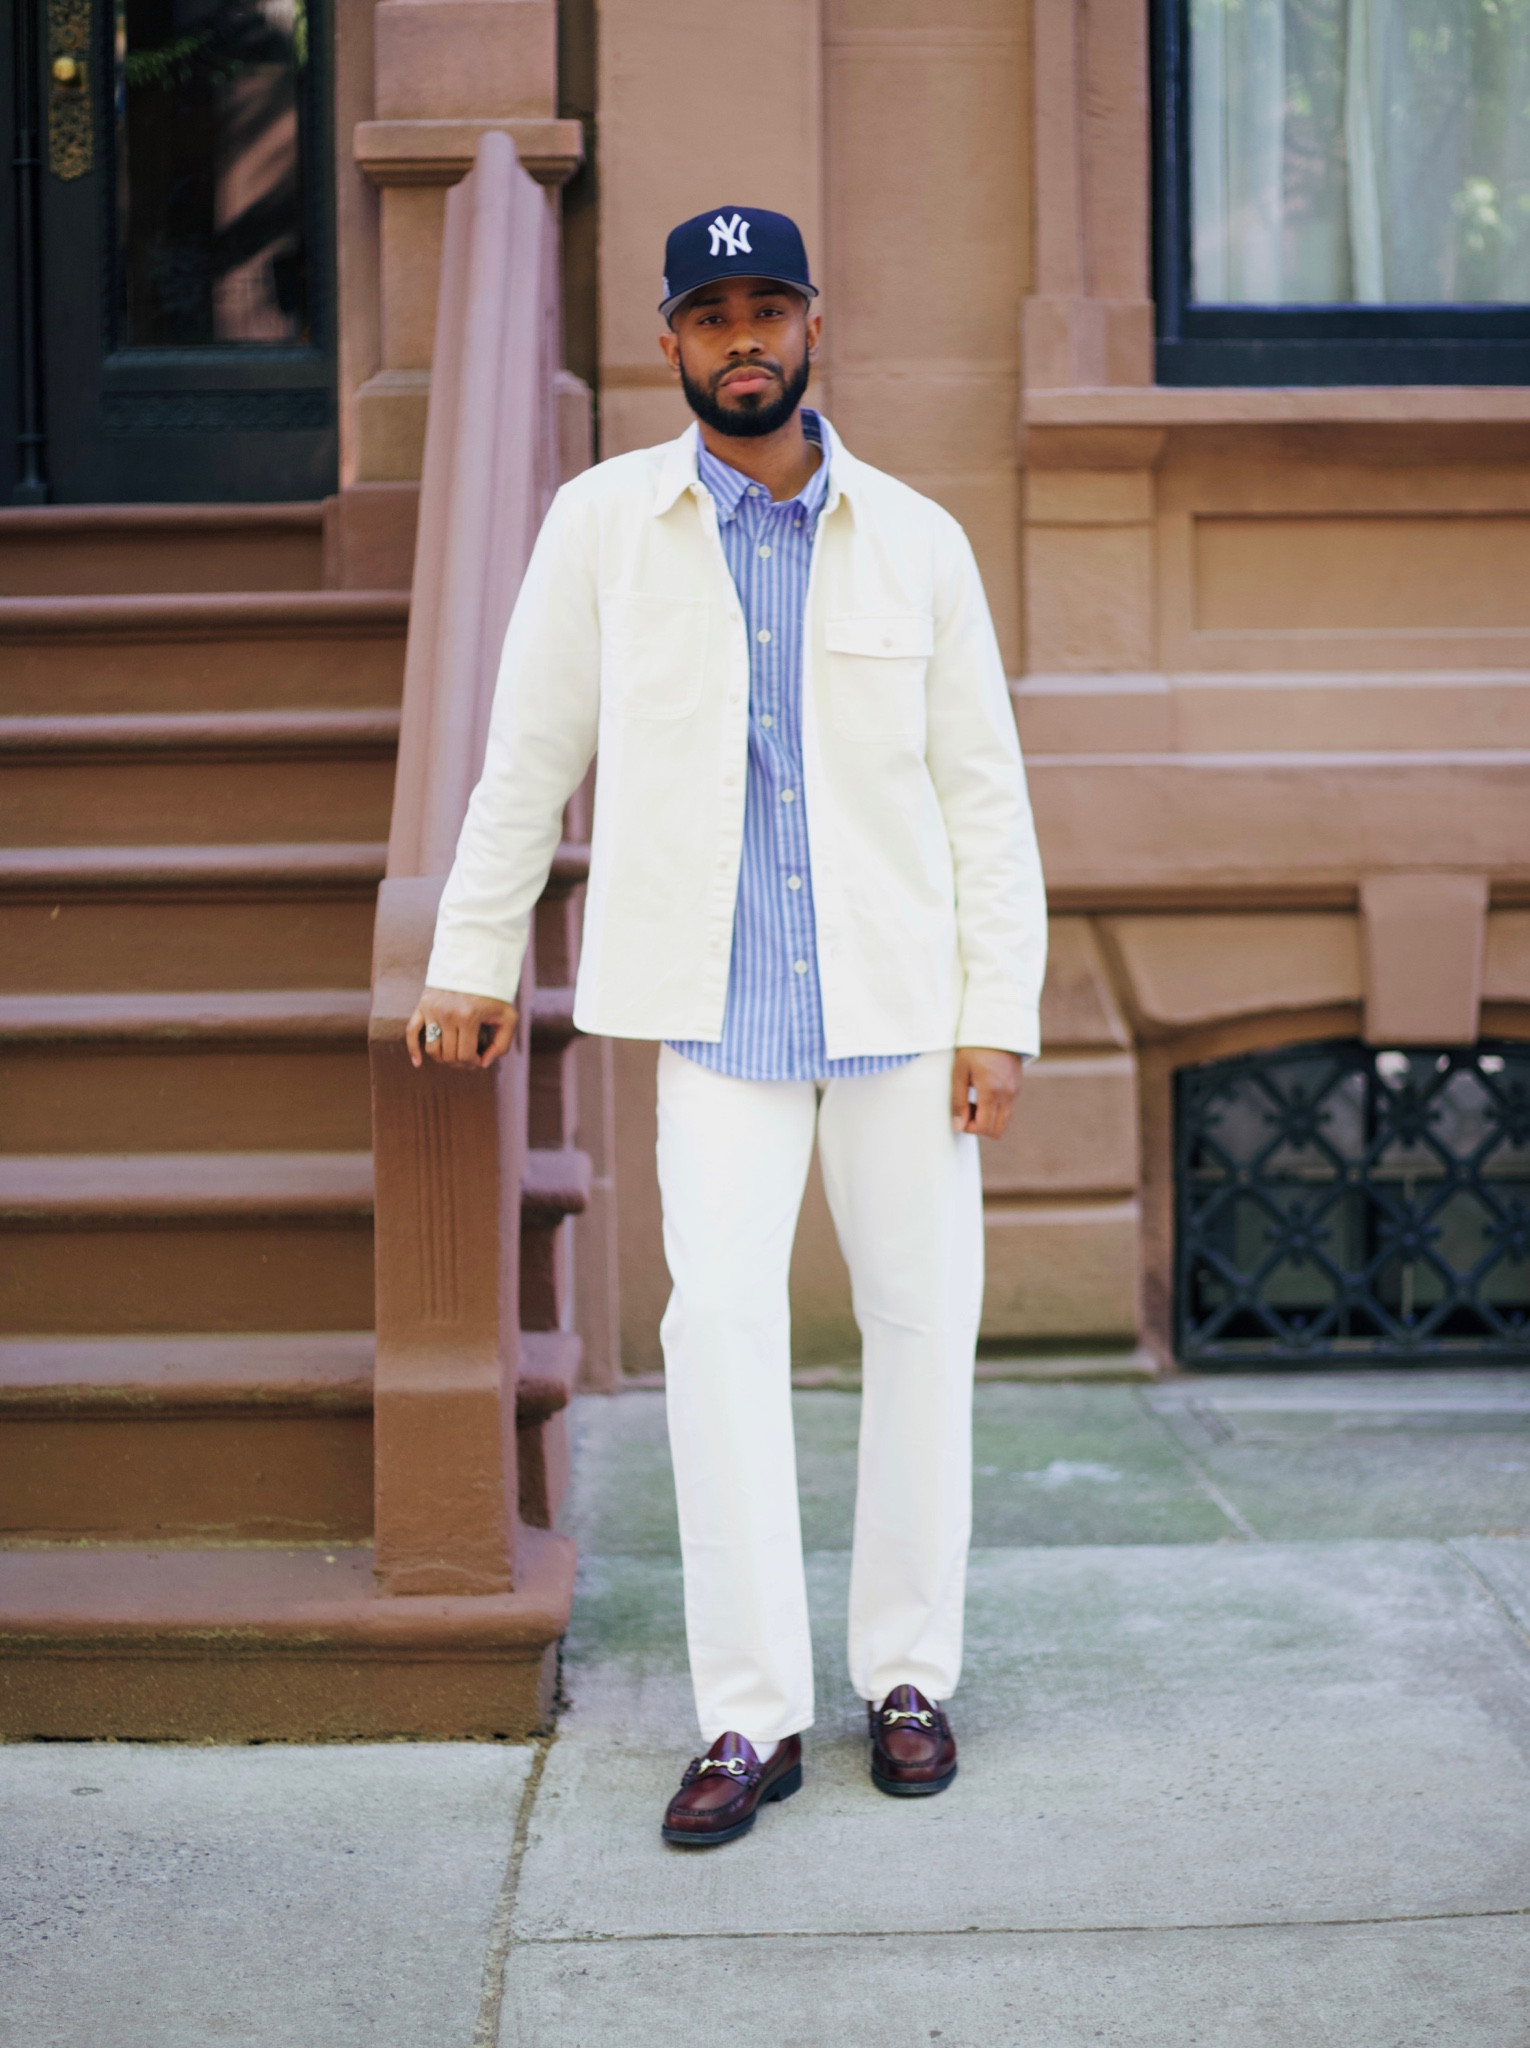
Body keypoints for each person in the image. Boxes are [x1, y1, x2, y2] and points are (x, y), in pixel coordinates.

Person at [408, 206, 1046, 1848]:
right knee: (721, 1347)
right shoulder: (604, 525)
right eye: (713, 314)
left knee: (920, 1335)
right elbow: (526, 749)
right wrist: (473, 955)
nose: (743, 338)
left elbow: (986, 799)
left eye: (771, 308)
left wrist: (1002, 1018)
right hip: (715, 1012)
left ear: (815, 328)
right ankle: (746, 1714)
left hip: (904, 1011)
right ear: (672, 343)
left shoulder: (917, 538)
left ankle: (908, 1675)